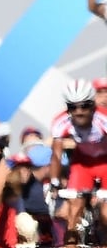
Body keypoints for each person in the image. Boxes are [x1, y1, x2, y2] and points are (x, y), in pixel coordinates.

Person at [49, 78, 107, 245]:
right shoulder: (60, 121)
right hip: (82, 164)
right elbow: (56, 155)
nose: (79, 112)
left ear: (93, 105)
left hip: (105, 162)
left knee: (106, 214)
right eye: (73, 107)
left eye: (84, 106)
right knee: (73, 212)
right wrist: (54, 182)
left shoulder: (103, 118)